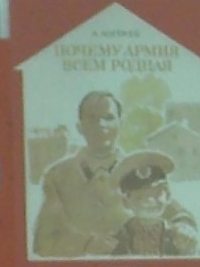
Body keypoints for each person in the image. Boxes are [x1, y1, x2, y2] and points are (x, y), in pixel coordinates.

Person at [32, 91, 129, 257]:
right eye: (92, 118)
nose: (101, 124)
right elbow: (43, 242)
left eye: (108, 118)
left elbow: (172, 221)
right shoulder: (57, 177)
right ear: (79, 127)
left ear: (121, 123)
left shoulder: (140, 169)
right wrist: (86, 245)